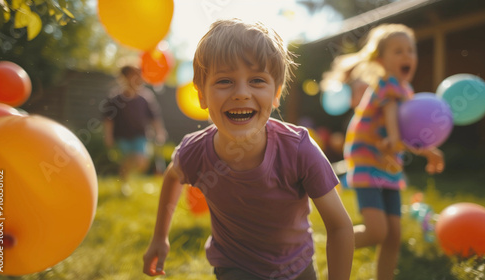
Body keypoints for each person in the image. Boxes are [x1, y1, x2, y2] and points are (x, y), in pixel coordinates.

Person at [143, 19, 354, 280]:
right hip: (235, 268)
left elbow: (340, 228)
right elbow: (173, 175)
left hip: (297, 268)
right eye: (224, 81)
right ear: (201, 96)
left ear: (276, 94)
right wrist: (160, 238)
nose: (241, 93)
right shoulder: (195, 152)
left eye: (256, 80)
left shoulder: (299, 149)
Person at [323, 24, 445, 280]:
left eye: (410, 50)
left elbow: (402, 133)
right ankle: (330, 244)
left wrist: (427, 150)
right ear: (380, 59)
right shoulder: (388, 85)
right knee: (377, 232)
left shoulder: (405, 90)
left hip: (388, 164)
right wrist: (395, 139)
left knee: (393, 235)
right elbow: (392, 122)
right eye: (398, 51)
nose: (407, 56)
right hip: (367, 161)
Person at [103, 66, 168, 195]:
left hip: (140, 135)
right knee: (128, 159)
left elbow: (154, 117)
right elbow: (108, 119)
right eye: (133, 75)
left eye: (139, 75)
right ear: (125, 78)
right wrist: (108, 136)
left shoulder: (145, 98)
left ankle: (124, 174)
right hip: (122, 135)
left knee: (141, 162)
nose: (138, 78)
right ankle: (124, 184)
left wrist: (160, 132)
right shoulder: (116, 99)